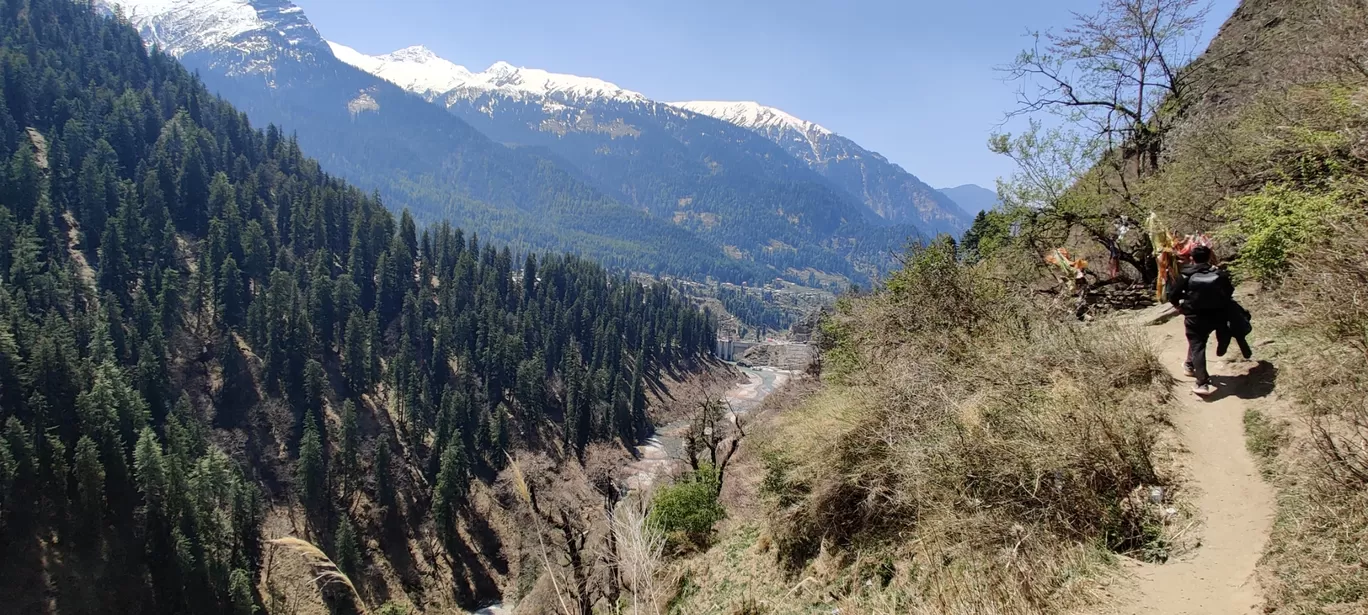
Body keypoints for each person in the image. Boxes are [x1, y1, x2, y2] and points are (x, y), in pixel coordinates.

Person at [1167, 245, 1236, 396]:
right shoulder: (1219, 274)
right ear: (1210, 256)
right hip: (1218, 315)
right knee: (1202, 339)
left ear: (1191, 258)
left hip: (1194, 317)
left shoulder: (1186, 275)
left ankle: (1202, 383)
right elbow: (1230, 291)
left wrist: (1179, 308)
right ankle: (1191, 364)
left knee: (1197, 345)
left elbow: (1172, 295)